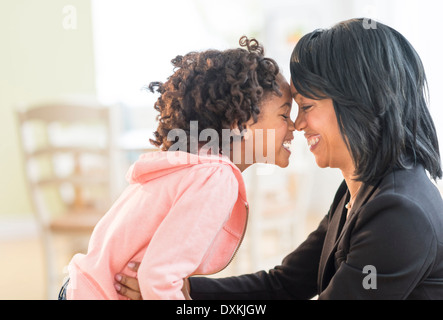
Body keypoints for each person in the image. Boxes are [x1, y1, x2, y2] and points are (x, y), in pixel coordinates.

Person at [114, 18, 443, 300]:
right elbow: (284, 285)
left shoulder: (401, 214)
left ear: (362, 104)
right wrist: (188, 293)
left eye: (307, 107)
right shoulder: (361, 189)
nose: (298, 125)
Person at [60, 36, 295, 300]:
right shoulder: (216, 178)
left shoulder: (191, 165)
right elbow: (159, 277)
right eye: (285, 115)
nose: (295, 126)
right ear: (241, 124)